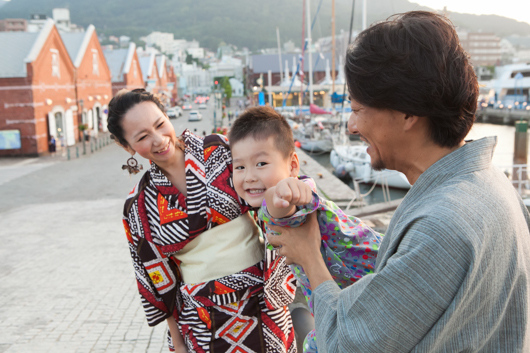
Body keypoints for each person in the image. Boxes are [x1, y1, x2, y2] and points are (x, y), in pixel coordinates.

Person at [267, 11, 530, 352]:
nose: (351, 125)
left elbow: (349, 344)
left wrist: (310, 259)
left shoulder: (441, 226)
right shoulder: (492, 184)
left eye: (358, 109)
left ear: (408, 113)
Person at [107, 89, 297, 353]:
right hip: (201, 319)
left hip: (262, 299)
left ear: (168, 115)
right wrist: (178, 343)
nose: (159, 139)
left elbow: (267, 194)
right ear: (127, 146)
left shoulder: (218, 151)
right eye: (142, 137)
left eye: (160, 124)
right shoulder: (138, 205)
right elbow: (159, 282)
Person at [228, 107, 382, 353]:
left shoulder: (292, 197)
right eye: (240, 167)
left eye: (261, 163)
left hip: (376, 269)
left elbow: (280, 207)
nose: (249, 176)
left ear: (292, 166)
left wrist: (281, 195)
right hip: (352, 289)